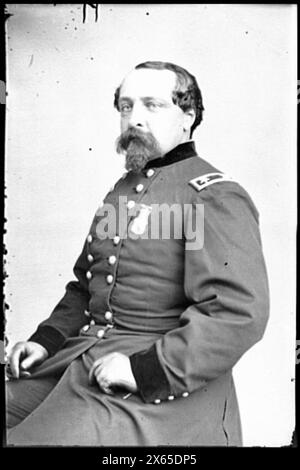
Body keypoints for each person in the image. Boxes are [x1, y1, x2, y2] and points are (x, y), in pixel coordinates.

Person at [6, 61, 269, 446]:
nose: (135, 119)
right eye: (126, 106)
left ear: (188, 116)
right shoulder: (123, 191)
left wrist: (145, 371)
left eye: (152, 105)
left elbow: (236, 312)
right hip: (83, 358)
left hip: (155, 383)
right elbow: (87, 285)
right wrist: (46, 340)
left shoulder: (210, 196)